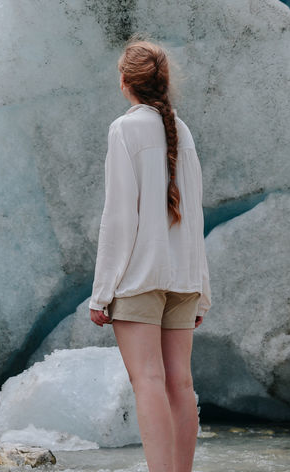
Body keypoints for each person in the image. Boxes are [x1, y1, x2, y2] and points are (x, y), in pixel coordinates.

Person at [89, 39, 210, 472]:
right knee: (180, 382)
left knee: (149, 382)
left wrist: (102, 292)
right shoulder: (182, 128)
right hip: (183, 279)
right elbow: (193, 213)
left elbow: (120, 217)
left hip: (140, 277)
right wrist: (202, 290)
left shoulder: (125, 129)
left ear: (125, 82)